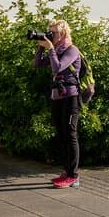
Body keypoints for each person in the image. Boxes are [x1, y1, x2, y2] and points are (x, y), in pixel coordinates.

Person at [34, 19, 83, 189]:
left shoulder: (71, 50)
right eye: (49, 32)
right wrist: (41, 46)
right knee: (61, 135)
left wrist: (51, 49)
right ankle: (67, 171)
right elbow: (37, 64)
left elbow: (57, 68)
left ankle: (74, 175)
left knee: (70, 134)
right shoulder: (56, 50)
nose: (50, 35)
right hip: (57, 97)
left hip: (71, 97)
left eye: (53, 33)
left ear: (62, 34)